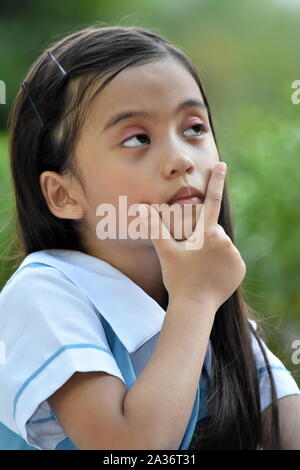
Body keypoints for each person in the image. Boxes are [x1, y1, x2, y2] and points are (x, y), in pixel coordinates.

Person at [0, 24, 299, 451]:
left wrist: (195, 301)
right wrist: (194, 301)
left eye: (194, 128)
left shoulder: (212, 314)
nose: (181, 159)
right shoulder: (43, 294)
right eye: (138, 138)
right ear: (64, 194)